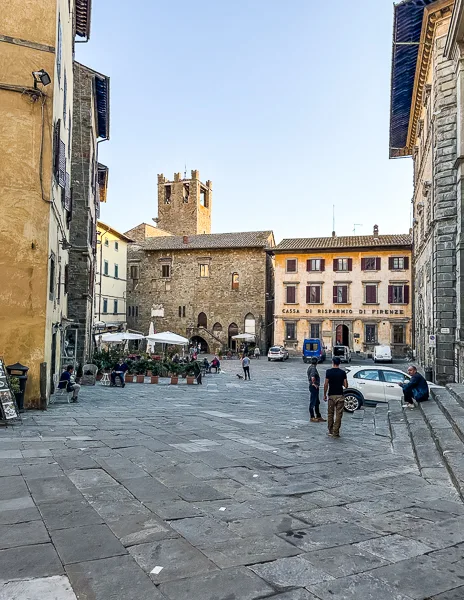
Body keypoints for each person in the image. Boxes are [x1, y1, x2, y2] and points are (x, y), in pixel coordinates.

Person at [323, 357, 348, 437]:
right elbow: (346, 385)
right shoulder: (342, 373)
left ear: (333, 362)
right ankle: (336, 432)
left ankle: (330, 431)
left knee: (330, 414)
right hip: (340, 395)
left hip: (331, 395)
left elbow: (326, 384)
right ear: (339, 363)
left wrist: (324, 394)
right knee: (339, 415)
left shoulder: (328, 372)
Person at [307, 357, 325, 423]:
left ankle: (318, 415)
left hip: (313, 387)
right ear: (317, 362)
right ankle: (312, 417)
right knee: (313, 401)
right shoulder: (313, 368)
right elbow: (312, 377)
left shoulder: (310, 367)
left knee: (317, 402)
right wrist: (314, 383)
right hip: (313, 387)